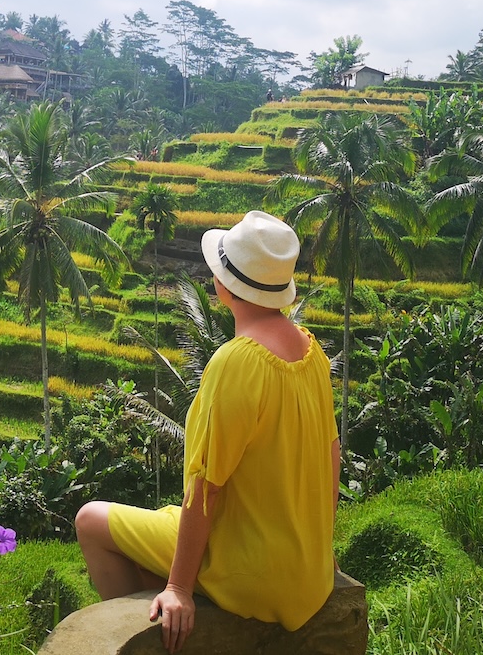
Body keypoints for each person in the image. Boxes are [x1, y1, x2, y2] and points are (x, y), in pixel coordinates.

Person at [75, 211, 338, 654]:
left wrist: (178, 586)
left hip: (251, 571)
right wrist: (317, 549)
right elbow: (332, 458)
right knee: (158, 533)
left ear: (222, 286)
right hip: (307, 573)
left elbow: (206, 487)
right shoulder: (312, 353)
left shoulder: (236, 363)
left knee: (90, 521)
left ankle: (154, 638)